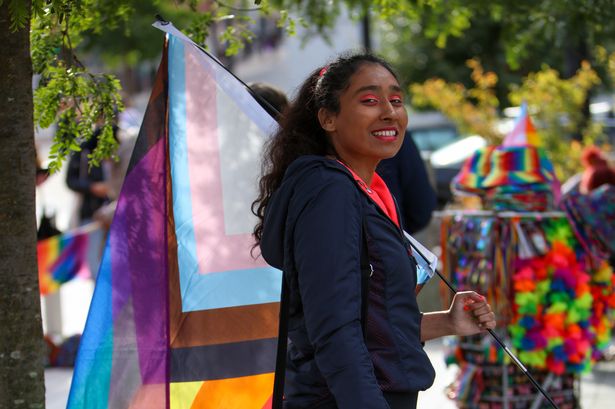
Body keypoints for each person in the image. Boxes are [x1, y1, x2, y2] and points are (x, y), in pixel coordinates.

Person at [252, 53, 496, 409]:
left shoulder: (367, 191)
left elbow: (371, 325)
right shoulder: (328, 192)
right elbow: (334, 330)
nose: (389, 111)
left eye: (396, 100)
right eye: (369, 100)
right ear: (328, 118)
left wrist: (446, 323)